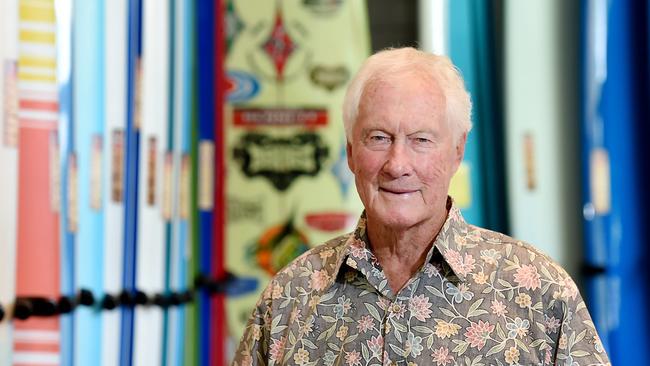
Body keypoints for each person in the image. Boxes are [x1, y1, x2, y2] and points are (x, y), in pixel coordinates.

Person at [233, 47, 610, 366]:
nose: (398, 164)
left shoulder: (539, 293)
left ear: (457, 150)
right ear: (350, 152)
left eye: (421, 140)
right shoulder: (290, 298)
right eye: (378, 138)